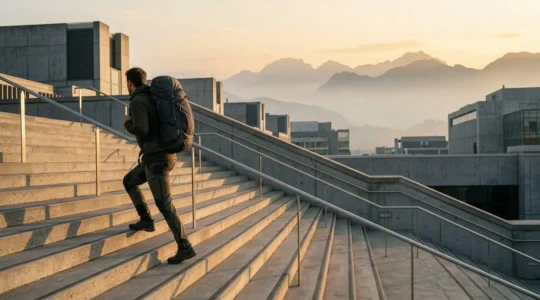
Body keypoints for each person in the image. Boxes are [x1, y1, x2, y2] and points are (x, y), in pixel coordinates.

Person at [122, 67, 196, 264]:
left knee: (165, 204)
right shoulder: (151, 97)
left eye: (126, 83)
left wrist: (128, 123)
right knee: (129, 181)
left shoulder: (138, 101)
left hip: (157, 160)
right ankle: (146, 219)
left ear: (130, 83)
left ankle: (184, 246)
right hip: (155, 157)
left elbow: (142, 130)